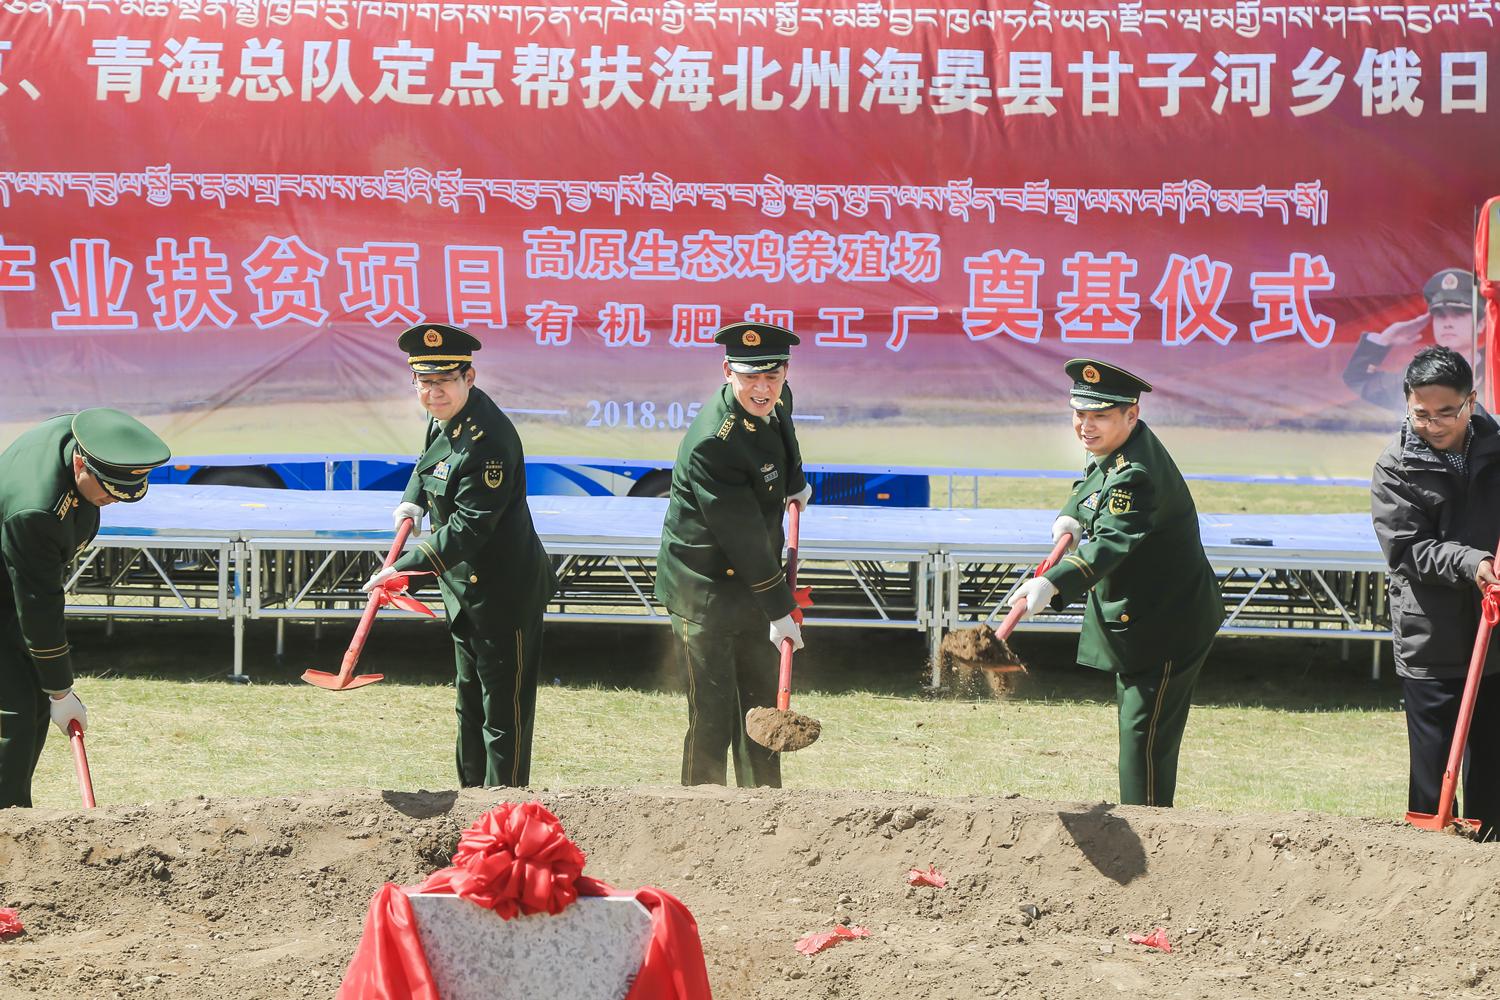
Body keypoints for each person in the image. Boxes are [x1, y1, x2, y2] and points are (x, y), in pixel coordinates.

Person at [1008, 359, 1224, 808]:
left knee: (1143, 737)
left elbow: (1111, 543)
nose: (1086, 426)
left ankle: (1149, 832)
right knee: (1139, 729)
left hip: (1166, 624)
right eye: (1080, 414)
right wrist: (1073, 513)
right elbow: (1094, 481)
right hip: (1146, 614)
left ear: (1132, 414)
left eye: (1100, 416)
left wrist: (1052, 582)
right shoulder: (1123, 451)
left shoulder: (1137, 474)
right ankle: (1148, 823)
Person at [363, 323, 557, 788]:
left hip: (503, 592)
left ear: (469, 377)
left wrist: (402, 569)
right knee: (469, 702)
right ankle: (472, 802)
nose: (434, 393)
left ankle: (503, 812)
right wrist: (412, 497)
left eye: (445, 381)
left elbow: (469, 529)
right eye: (425, 383)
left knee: (502, 713)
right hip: (464, 589)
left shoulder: (489, 440)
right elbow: (428, 462)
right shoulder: (443, 415)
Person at [655, 321, 812, 788]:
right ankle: (702, 818)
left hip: (751, 574)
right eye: (750, 378)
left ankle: (763, 808)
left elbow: (784, 438)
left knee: (759, 706)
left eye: (773, 376)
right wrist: (781, 609)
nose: (762, 389)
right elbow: (740, 535)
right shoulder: (713, 443)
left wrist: (795, 481)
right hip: (702, 585)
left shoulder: (777, 399)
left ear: (784, 371)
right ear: (728, 371)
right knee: (714, 713)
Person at [0, 408, 170, 808]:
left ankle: (13, 815)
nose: (111, 501)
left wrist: (53, 690)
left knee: (33, 706)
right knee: (15, 715)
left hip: (13, 576)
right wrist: (61, 689)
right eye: (108, 491)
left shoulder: (80, 436)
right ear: (81, 463)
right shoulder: (38, 508)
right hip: (13, 583)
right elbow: (39, 603)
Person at [1370, 346, 1500, 838]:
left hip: (1494, 631)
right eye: (1421, 413)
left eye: (1447, 412)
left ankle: (1489, 861)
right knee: (1433, 765)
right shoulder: (1395, 465)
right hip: (1431, 632)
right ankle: (1428, 873)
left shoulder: (1498, 445)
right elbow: (1407, 550)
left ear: (1471, 401)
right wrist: (1473, 563)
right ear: (1407, 403)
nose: (1435, 423)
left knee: (1492, 758)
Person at [1344, 268, 1481, 411]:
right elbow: (1356, 379)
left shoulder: (1493, 372)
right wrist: (1384, 340)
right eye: (1440, 315)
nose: (1447, 323)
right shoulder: (1416, 378)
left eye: (1458, 315)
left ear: (1481, 323)